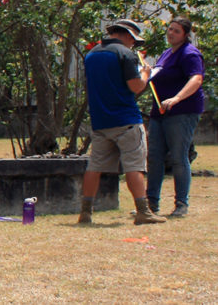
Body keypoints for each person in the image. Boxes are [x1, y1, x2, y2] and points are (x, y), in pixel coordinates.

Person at [79, 19, 165, 225]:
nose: (134, 45)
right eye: (134, 40)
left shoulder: (91, 55)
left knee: (95, 166)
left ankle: (85, 212)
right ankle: (143, 211)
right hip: (126, 119)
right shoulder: (125, 54)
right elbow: (135, 87)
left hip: (101, 120)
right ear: (127, 35)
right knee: (134, 166)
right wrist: (146, 74)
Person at [146, 17, 205, 218]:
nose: (171, 33)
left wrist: (176, 98)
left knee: (179, 157)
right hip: (159, 113)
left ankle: (181, 204)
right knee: (154, 157)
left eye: (176, 31)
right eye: (170, 29)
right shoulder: (165, 54)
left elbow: (196, 79)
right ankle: (151, 203)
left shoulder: (190, 54)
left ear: (186, 35)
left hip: (182, 112)